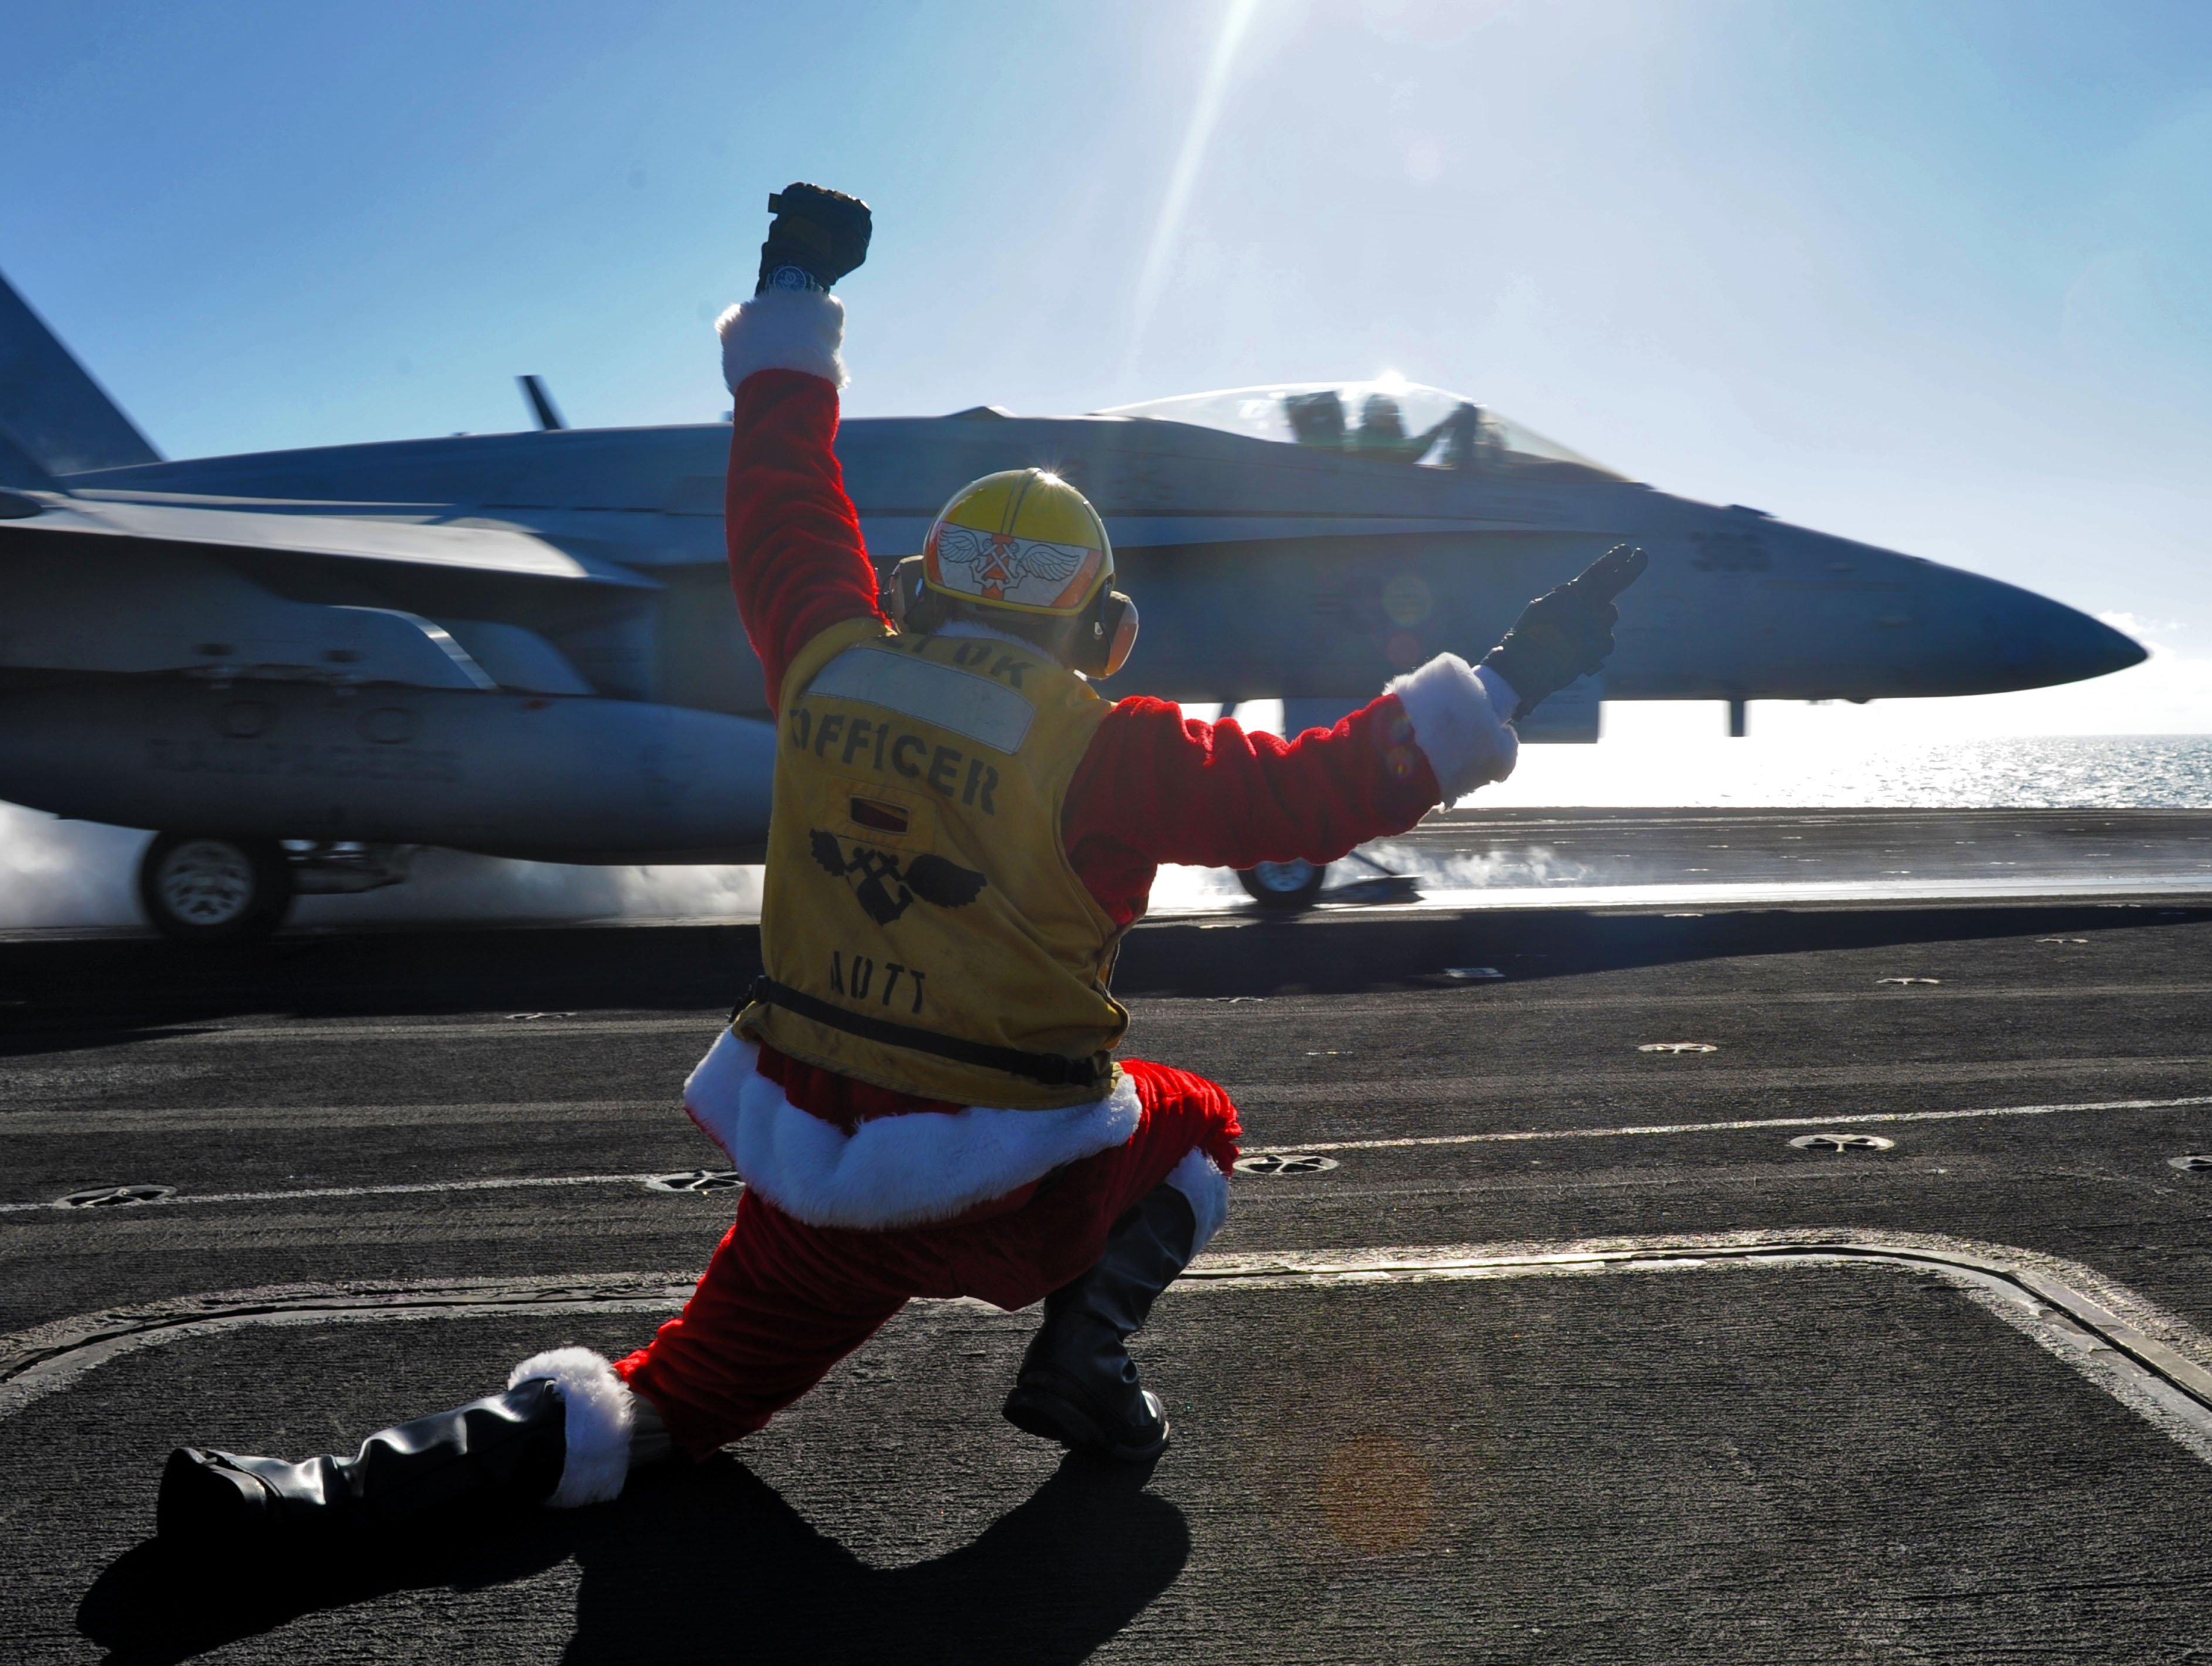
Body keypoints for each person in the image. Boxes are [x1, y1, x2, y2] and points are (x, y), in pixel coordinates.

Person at [153, 184, 1644, 1542]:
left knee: (656, 1406)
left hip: (809, 1173)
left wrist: (795, 285)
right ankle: (1086, 1354)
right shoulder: (1113, 747)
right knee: (1195, 1126)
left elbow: (785, 491)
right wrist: (1513, 671)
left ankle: (311, 1496)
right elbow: (1328, 791)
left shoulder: (824, 658)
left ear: (924, 591)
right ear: (1099, 631)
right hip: (1012, 1182)